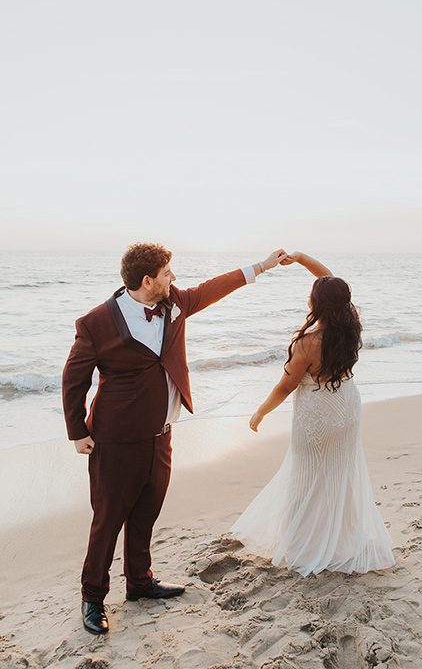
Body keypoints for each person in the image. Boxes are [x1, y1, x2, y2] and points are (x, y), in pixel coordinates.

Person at [62, 243, 287, 634]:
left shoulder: (175, 303)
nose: (174, 279)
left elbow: (214, 288)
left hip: (161, 436)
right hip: (115, 442)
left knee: (147, 511)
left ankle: (139, 582)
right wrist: (78, 431)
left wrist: (263, 266)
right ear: (147, 281)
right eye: (167, 273)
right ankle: (93, 599)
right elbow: (73, 379)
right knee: (108, 521)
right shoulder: (96, 323)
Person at [231, 251, 395, 576]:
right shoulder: (350, 324)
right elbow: (333, 284)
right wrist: (303, 259)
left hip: (318, 415)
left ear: (316, 305)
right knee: (338, 476)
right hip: (347, 407)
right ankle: (338, 541)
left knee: (306, 479)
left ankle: (304, 546)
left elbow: (284, 387)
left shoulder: (309, 343)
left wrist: (259, 413)